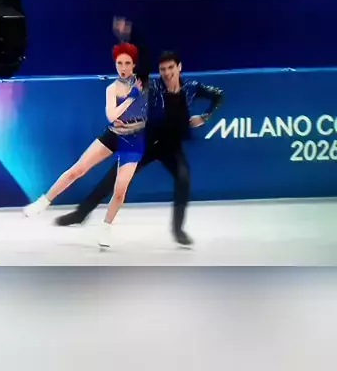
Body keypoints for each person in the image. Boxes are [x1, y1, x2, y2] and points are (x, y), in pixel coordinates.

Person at [55, 26, 224, 247]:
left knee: (183, 178)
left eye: (171, 68)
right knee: (113, 179)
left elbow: (218, 95)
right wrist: (129, 36)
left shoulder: (192, 88)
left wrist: (206, 116)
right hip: (147, 142)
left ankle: (178, 229)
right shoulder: (153, 87)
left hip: (171, 146)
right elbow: (141, 62)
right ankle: (81, 213)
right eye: (163, 69)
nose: (167, 73)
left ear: (179, 67)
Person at [22, 41, 149, 248]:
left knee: (120, 190)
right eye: (119, 63)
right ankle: (43, 202)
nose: (123, 68)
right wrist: (129, 100)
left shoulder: (145, 85)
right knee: (77, 170)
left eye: (127, 63)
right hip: (112, 135)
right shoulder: (112, 88)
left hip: (134, 142)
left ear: (134, 64)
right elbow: (111, 116)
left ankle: (106, 227)